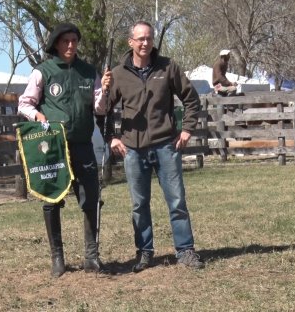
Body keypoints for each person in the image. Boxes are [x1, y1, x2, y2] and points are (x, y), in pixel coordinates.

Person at [106, 20, 204, 272]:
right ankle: (145, 252)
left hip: (166, 146)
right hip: (133, 150)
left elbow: (191, 99)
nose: (145, 43)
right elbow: (101, 110)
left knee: (177, 201)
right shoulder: (118, 74)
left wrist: (187, 129)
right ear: (131, 42)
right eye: (140, 39)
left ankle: (185, 251)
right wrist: (111, 137)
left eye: (149, 38)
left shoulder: (168, 67)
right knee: (139, 205)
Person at [18, 22, 112, 277]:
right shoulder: (43, 72)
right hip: (54, 147)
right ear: (56, 44)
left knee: (91, 198)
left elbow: (100, 108)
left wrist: (104, 89)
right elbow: (24, 103)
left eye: (74, 40)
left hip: (83, 143)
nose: (71, 45)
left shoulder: (87, 71)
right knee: (51, 198)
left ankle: (91, 257)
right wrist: (37, 115)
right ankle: (57, 258)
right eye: (65, 41)